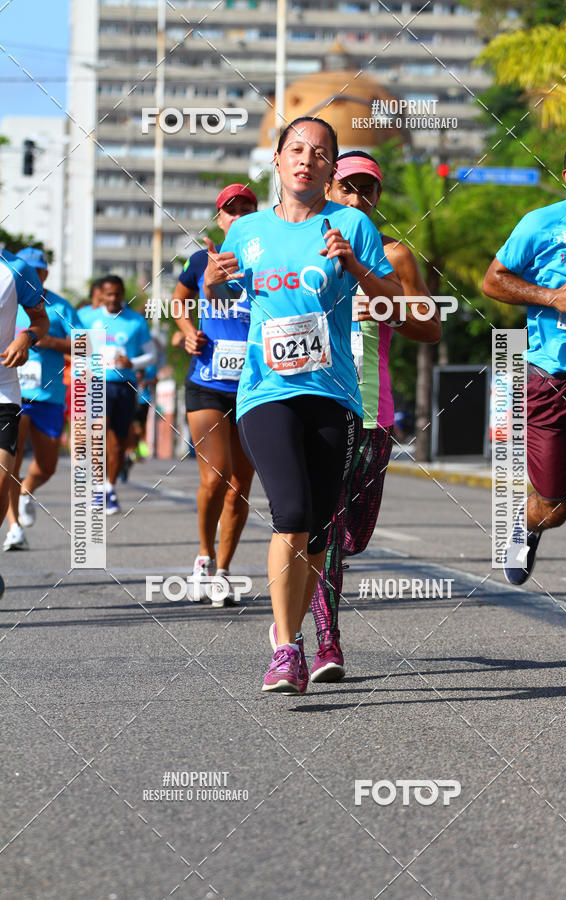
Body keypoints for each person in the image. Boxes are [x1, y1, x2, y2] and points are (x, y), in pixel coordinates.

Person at [204, 117, 406, 693]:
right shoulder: (246, 231)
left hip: (336, 393)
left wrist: (357, 266)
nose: (306, 159)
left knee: (317, 527)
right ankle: (288, 648)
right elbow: (220, 291)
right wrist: (214, 282)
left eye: (320, 153)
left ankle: (285, 627)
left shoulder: (352, 224)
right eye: (297, 149)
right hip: (265, 390)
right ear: (277, 159)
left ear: (330, 168)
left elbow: (396, 300)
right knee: (290, 512)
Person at [307, 151, 441, 681]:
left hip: (372, 407)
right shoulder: (296, 248)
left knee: (353, 535)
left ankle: (311, 615)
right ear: (327, 188)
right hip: (316, 398)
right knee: (324, 526)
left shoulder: (395, 256)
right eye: (347, 187)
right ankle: (325, 642)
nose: (357, 198)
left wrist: (384, 305)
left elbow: (430, 330)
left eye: (368, 189)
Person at [482, 131, 566, 658]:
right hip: (550, 380)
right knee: (557, 504)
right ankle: (527, 527)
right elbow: (494, 280)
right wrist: (553, 297)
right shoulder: (542, 224)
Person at [172, 184, 257, 606]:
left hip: (256, 387)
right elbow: (179, 298)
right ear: (219, 218)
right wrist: (189, 332)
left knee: (240, 485)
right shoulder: (203, 259)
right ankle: (203, 556)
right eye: (231, 209)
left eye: (247, 208)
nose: (238, 215)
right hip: (208, 383)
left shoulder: (269, 262)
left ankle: (223, 570)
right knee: (216, 475)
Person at [3, 248, 81, 550]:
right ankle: (14, 527)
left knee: (47, 465)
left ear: (45, 273)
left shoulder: (59, 306)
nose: (33, 273)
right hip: (13, 391)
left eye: (39, 269)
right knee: (10, 462)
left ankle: (25, 493)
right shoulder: (7, 293)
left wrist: (49, 341)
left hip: (48, 395)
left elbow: (85, 344)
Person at [78, 275, 156, 515]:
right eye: (108, 294)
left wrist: (131, 361)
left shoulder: (135, 322)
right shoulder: (86, 317)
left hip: (125, 387)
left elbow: (151, 354)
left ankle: (109, 488)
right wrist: (84, 368)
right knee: (98, 434)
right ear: (101, 294)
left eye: (117, 294)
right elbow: (76, 348)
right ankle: (99, 487)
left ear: (123, 294)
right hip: (97, 384)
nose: (112, 299)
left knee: (119, 442)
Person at [0, 248, 49, 584]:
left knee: (2, 482)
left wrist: (26, 338)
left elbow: (40, 320)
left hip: (3, 391)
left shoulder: (16, 269)